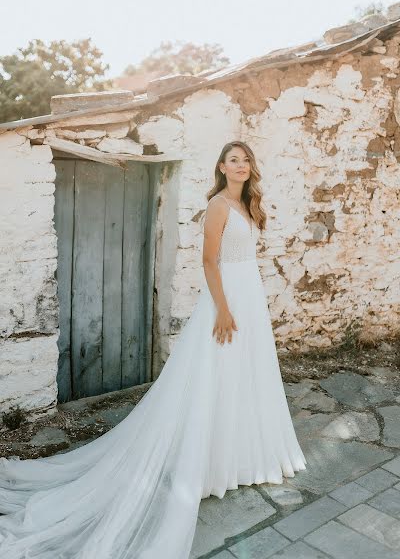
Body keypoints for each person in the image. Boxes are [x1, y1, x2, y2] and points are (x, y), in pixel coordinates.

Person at [0, 140, 307, 559]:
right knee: (212, 375)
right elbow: (210, 262)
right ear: (221, 166)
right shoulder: (218, 205)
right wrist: (222, 309)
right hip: (227, 297)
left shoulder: (250, 204)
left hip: (249, 294)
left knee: (244, 374)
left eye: (246, 158)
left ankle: (240, 458)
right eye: (233, 160)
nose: (241, 164)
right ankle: (205, 464)